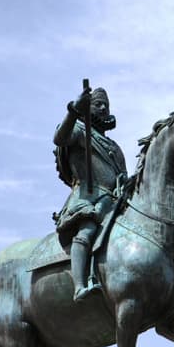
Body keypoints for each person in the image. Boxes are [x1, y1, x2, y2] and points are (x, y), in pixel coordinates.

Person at [52, 85, 128, 301]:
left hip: (114, 201)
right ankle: (79, 286)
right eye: (98, 104)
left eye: (106, 105)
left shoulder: (114, 146)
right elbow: (60, 138)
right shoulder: (79, 130)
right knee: (87, 230)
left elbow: (122, 175)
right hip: (88, 196)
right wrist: (74, 110)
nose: (103, 108)